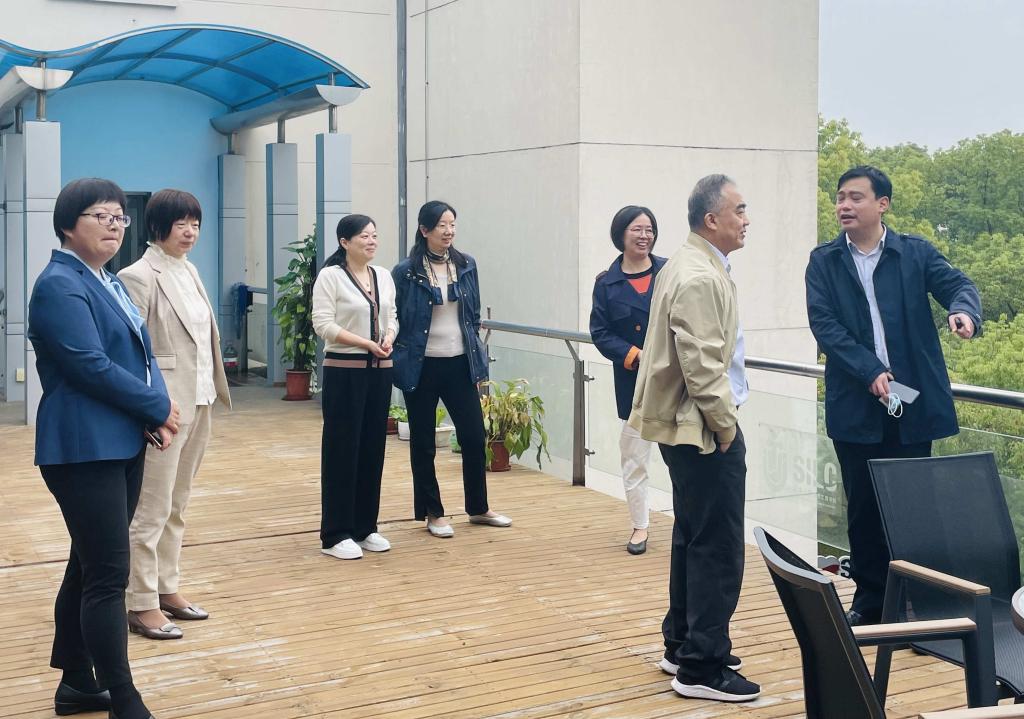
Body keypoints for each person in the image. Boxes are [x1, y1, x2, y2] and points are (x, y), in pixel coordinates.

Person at [28, 177, 180, 719]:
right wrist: (156, 407)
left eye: (119, 217)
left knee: (88, 565)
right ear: (68, 224)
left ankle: (76, 683)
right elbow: (88, 365)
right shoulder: (59, 284)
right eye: (101, 216)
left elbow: (139, 355)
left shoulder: (105, 280)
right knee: (109, 575)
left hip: (118, 441)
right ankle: (124, 698)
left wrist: (152, 412)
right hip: (81, 447)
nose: (114, 226)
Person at [805, 165, 981, 626]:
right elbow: (825, 326)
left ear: (882, 204)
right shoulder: (824, 261)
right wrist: (869, 371)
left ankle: (920, 605)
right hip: (855, 405)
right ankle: (870, 604)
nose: (844, 205)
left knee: (914, 508)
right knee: (863, 510)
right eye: (840, 197)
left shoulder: (913, 253)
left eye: (855, 197)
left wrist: (963, 312)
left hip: (910, 402)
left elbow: (958, 285)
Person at [629, 174, 759, 703]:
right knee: (718, 545)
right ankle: (703, 665)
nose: (746, 219)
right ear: (712, 219)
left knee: (692, 534)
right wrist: (726, 425)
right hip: (704, 427)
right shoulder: (699, 274)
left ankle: (683, 643)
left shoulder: (686, 263)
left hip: (687, 424)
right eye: (739, 210)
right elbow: (702, 365)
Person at [118, 189, 231, 640]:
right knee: (150, 508)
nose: (190, 232)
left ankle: (167, 587)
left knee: (177, 505)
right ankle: (140, 601)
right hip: (163, 408)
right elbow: (131, 352)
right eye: (181, 223)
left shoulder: (190, 270)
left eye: (195, 224)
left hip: (200, 401)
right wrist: (150, 408)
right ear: (157, 225)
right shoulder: (137, 275)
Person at [391, 201, 510, 537]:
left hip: (460, 362)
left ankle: (478, 508)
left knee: (473, 436)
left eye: (452, 224)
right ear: (424, 230)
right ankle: (433, 512)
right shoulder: (405, 271)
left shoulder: (466, 265)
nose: (449, 231)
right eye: (442, 225)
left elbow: (472, 313)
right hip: (421, 365)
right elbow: (396, 316)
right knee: (423, 442)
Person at [312, 214, 397, 560]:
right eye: (364, 236)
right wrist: (364, 343)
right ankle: (336, 533)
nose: (371, 241)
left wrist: (388, 337)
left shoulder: (384, 276)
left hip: (380, 370)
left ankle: (365, 527)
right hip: (344, 370)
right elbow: (323, 324)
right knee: (342, 448)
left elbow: (392, 317)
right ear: (344, 242)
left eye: (374, 235)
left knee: (372, 447)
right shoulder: (330, 276)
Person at [590, 205, 666, 554]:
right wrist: (634, 355)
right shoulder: (607, 283)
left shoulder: (669, 271)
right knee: (635, 456)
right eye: (637, 229)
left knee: (683, 457)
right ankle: (640, 526)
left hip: (674, 380)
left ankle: (690, 523)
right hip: (633, 382)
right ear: (621, 234)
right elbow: (600, 332)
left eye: (649, 229)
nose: (644, 235)